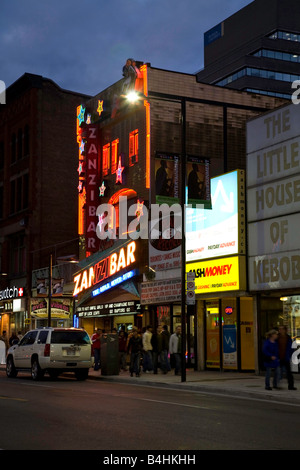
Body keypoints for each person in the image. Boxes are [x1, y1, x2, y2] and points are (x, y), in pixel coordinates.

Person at [278, 325, 297, 390]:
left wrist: (290, 355)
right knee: (278, 372)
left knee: (289, 373)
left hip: (286, 357)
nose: (280, 330)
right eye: (279, 329)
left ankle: (291, 386)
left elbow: (291, 348)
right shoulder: (277, 338)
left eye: (282, 329)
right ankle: (276, 384)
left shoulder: (288, 338)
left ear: (285, 330)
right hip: (279, 357)